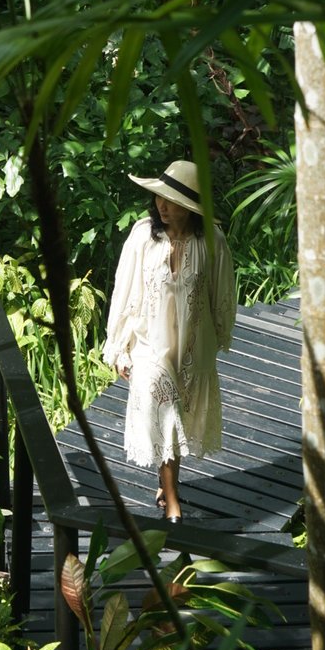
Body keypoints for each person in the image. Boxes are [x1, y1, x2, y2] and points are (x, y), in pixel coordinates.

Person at [103, 160, 236, 523]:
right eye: (159, 198)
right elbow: (125, 290)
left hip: (192, 346)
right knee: (163, 412)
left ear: (190, 207)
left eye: (172, 201)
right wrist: (120, 346)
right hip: (150, 345)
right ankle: (173, 500)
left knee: (178, 421)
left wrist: (219, 334)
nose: (162, 205)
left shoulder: (212, 241)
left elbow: (222, 293)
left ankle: (166, 483)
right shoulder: (142, 237)